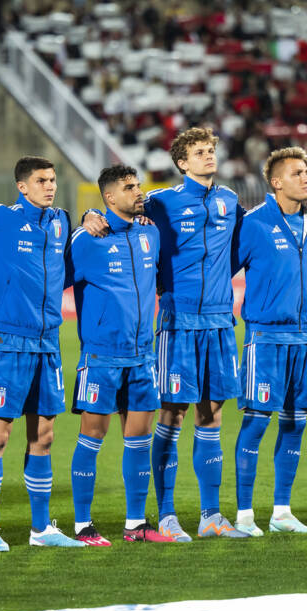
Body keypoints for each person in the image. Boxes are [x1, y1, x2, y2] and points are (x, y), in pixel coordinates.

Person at [0, 156, 85, 550]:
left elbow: (65, 268)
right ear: (22, 186)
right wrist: (0, 287)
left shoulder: (60, 221)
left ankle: (40, 530)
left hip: (48, 342)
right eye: (40, 181)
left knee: (45, 435)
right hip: (9, 342)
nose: (49, 186)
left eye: (52, 180)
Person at [142, 127, 249, 540]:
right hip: (178, 319)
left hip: (220, 321)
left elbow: (243, 244)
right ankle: (167, 515)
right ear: (181, 162)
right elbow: (124, 226)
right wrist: (89, 216)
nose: (208, 157)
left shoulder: (229, 200)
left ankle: (210, 517)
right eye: (199, 152)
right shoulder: (160, 203)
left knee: (212, 414)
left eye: (211, 150)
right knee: (173, 412)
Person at [66, 165, 173, 545]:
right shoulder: (86, 239)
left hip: (143, 357)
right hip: (101, 356)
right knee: (92, 437)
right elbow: (52, 276)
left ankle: (135, 525)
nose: (138, 191)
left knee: (139, 440)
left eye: (138, 185)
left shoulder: (150, 233)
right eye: (129, 187)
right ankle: (82, 525)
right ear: (109, 197)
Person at [229, 147, 307, 536]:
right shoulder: (254, 223)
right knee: (256, 423)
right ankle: (245, 515)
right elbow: (221, 268)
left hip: (305, 339)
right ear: (276, 181)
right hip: (265, 338)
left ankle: (282, 512)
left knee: (296, 424)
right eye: (297, 173)